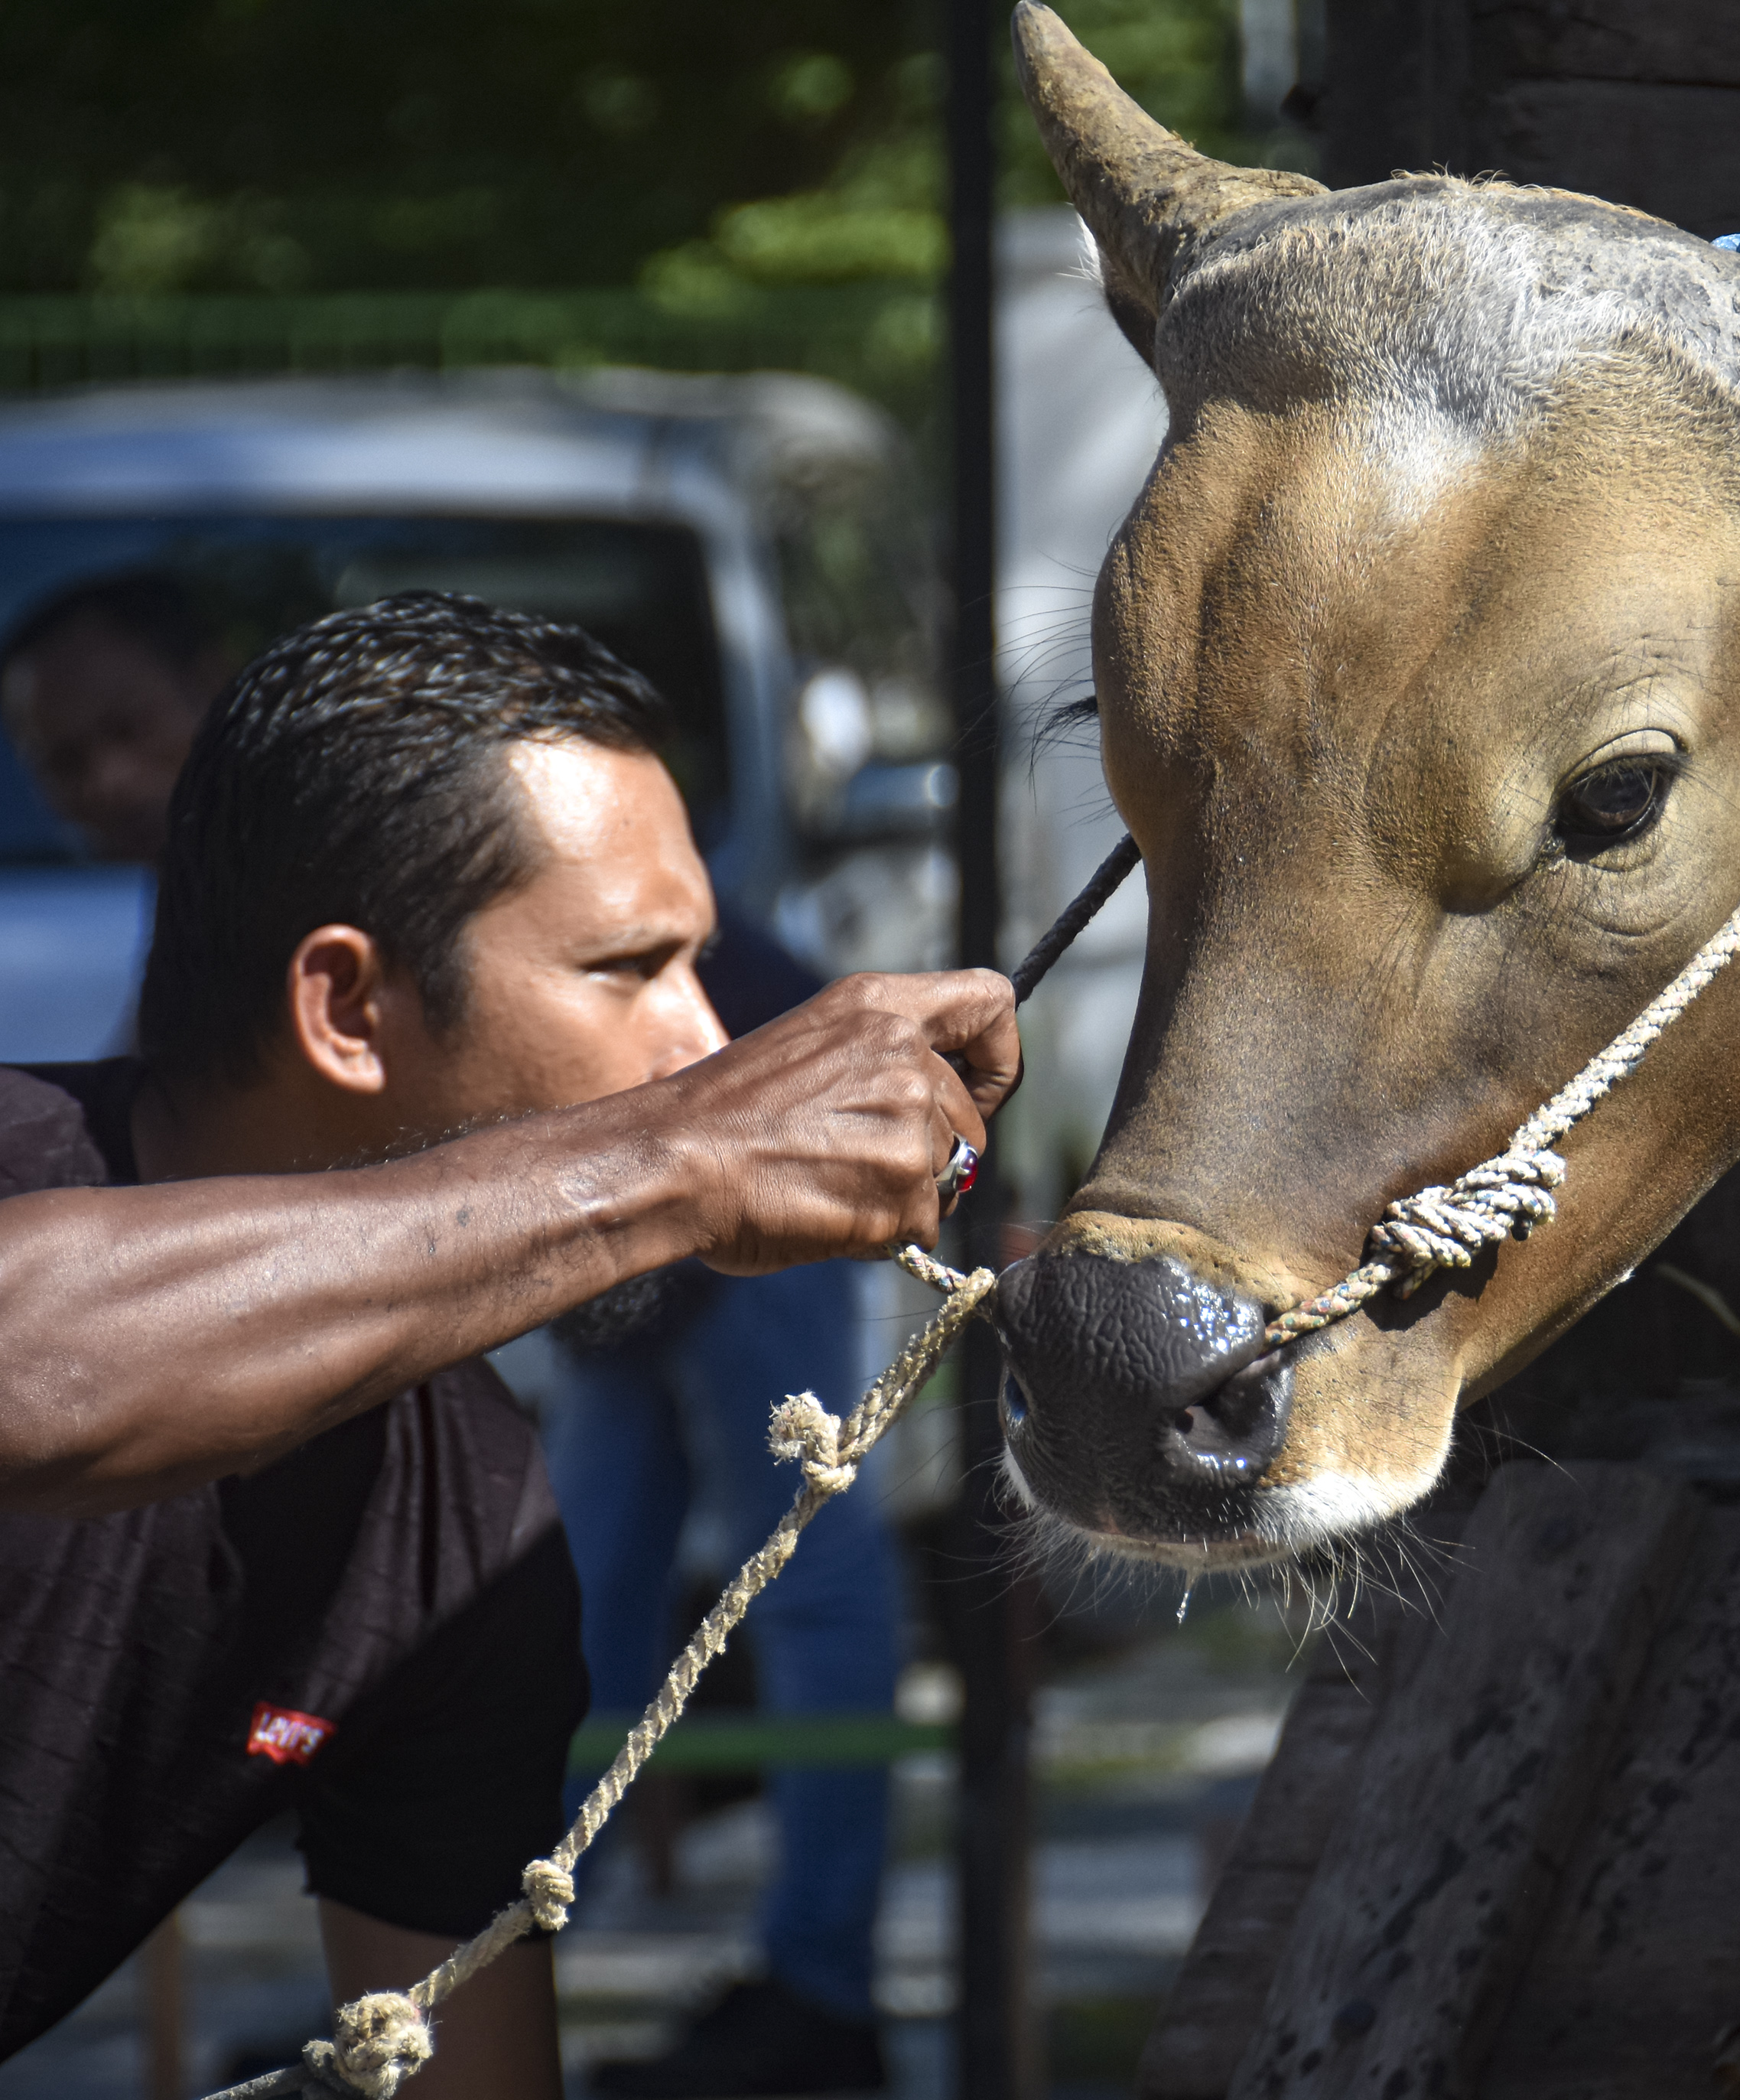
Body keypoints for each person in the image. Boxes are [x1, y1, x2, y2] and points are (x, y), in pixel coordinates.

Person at [0, 592, 1016, 2100]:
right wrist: (672, 1161)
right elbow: (33, 1370)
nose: (702, 1047)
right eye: (626, 969)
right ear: (348, 1004)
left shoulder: (468, 1537)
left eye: (701, 967)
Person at [546, 921, 905, 2099]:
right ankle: (483, 1969)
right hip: (611, 1196)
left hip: (747, 1152)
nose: (97, 791)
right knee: (569, 1603)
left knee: (812, 1579)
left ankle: (822, 1989)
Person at [0, 568, 235, 864]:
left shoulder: (306, 863)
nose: (108, 783)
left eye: (129, 729)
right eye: (64, 763)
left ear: (213, 684)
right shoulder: (34, 897)